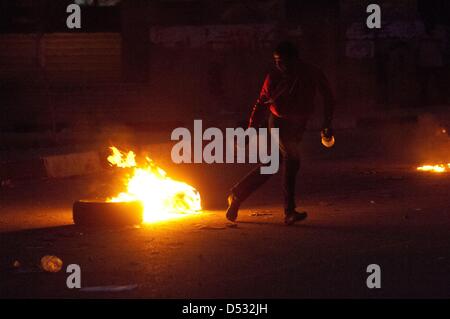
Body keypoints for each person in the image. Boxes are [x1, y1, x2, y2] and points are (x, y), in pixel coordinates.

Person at [226, 41, 335, 225]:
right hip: (279, 123)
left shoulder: (311, 73)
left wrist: (327, 123)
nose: (280, 66)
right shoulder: (274, 77)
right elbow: (261, 104)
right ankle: (289, 212)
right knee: (292, 160)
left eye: (284, 62)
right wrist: (251, 131)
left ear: (296, 60)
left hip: (299, 124)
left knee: (273, 164)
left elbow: (328, 96)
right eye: (277, 61)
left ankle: (237, 194)